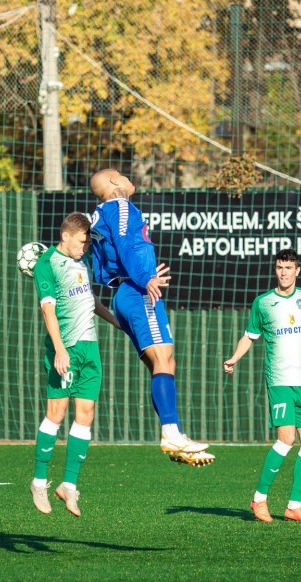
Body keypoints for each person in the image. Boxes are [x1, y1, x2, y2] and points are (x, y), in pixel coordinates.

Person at [88, 168, 214, 467]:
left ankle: (174, 436)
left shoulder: (99, 214)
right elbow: (125, 243)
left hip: (125, 292)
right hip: (138, 291)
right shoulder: (120, 206)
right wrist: (145, 277)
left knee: (164, 363)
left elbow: (104, 263)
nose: (128, 177)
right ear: (114, 182)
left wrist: (139, 276)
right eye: (122, 174)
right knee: (163, 359)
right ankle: (171, 433)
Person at [222, 249, 301, 523]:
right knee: (287, 438)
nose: (284, 272)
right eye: (280, 267)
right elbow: (249, 336)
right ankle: (259, 499)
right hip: (279, 381)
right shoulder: (263, 303)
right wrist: (234, 358)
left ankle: (294, 506)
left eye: (288, 267)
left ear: (297, 271)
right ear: (275, 269)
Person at [29, 212, 122, 517]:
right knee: (56, 413)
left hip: (89, 348)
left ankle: (68, 485)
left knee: (87, 413)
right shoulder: (47, 264)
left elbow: (90, 300)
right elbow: (48, 311)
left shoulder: (81, 260)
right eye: (82, 241)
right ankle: (38, 482)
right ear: (65, 236)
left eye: (87, 242)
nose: (86, 247)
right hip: (65, 347)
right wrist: (59, 350)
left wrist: (117, 322)